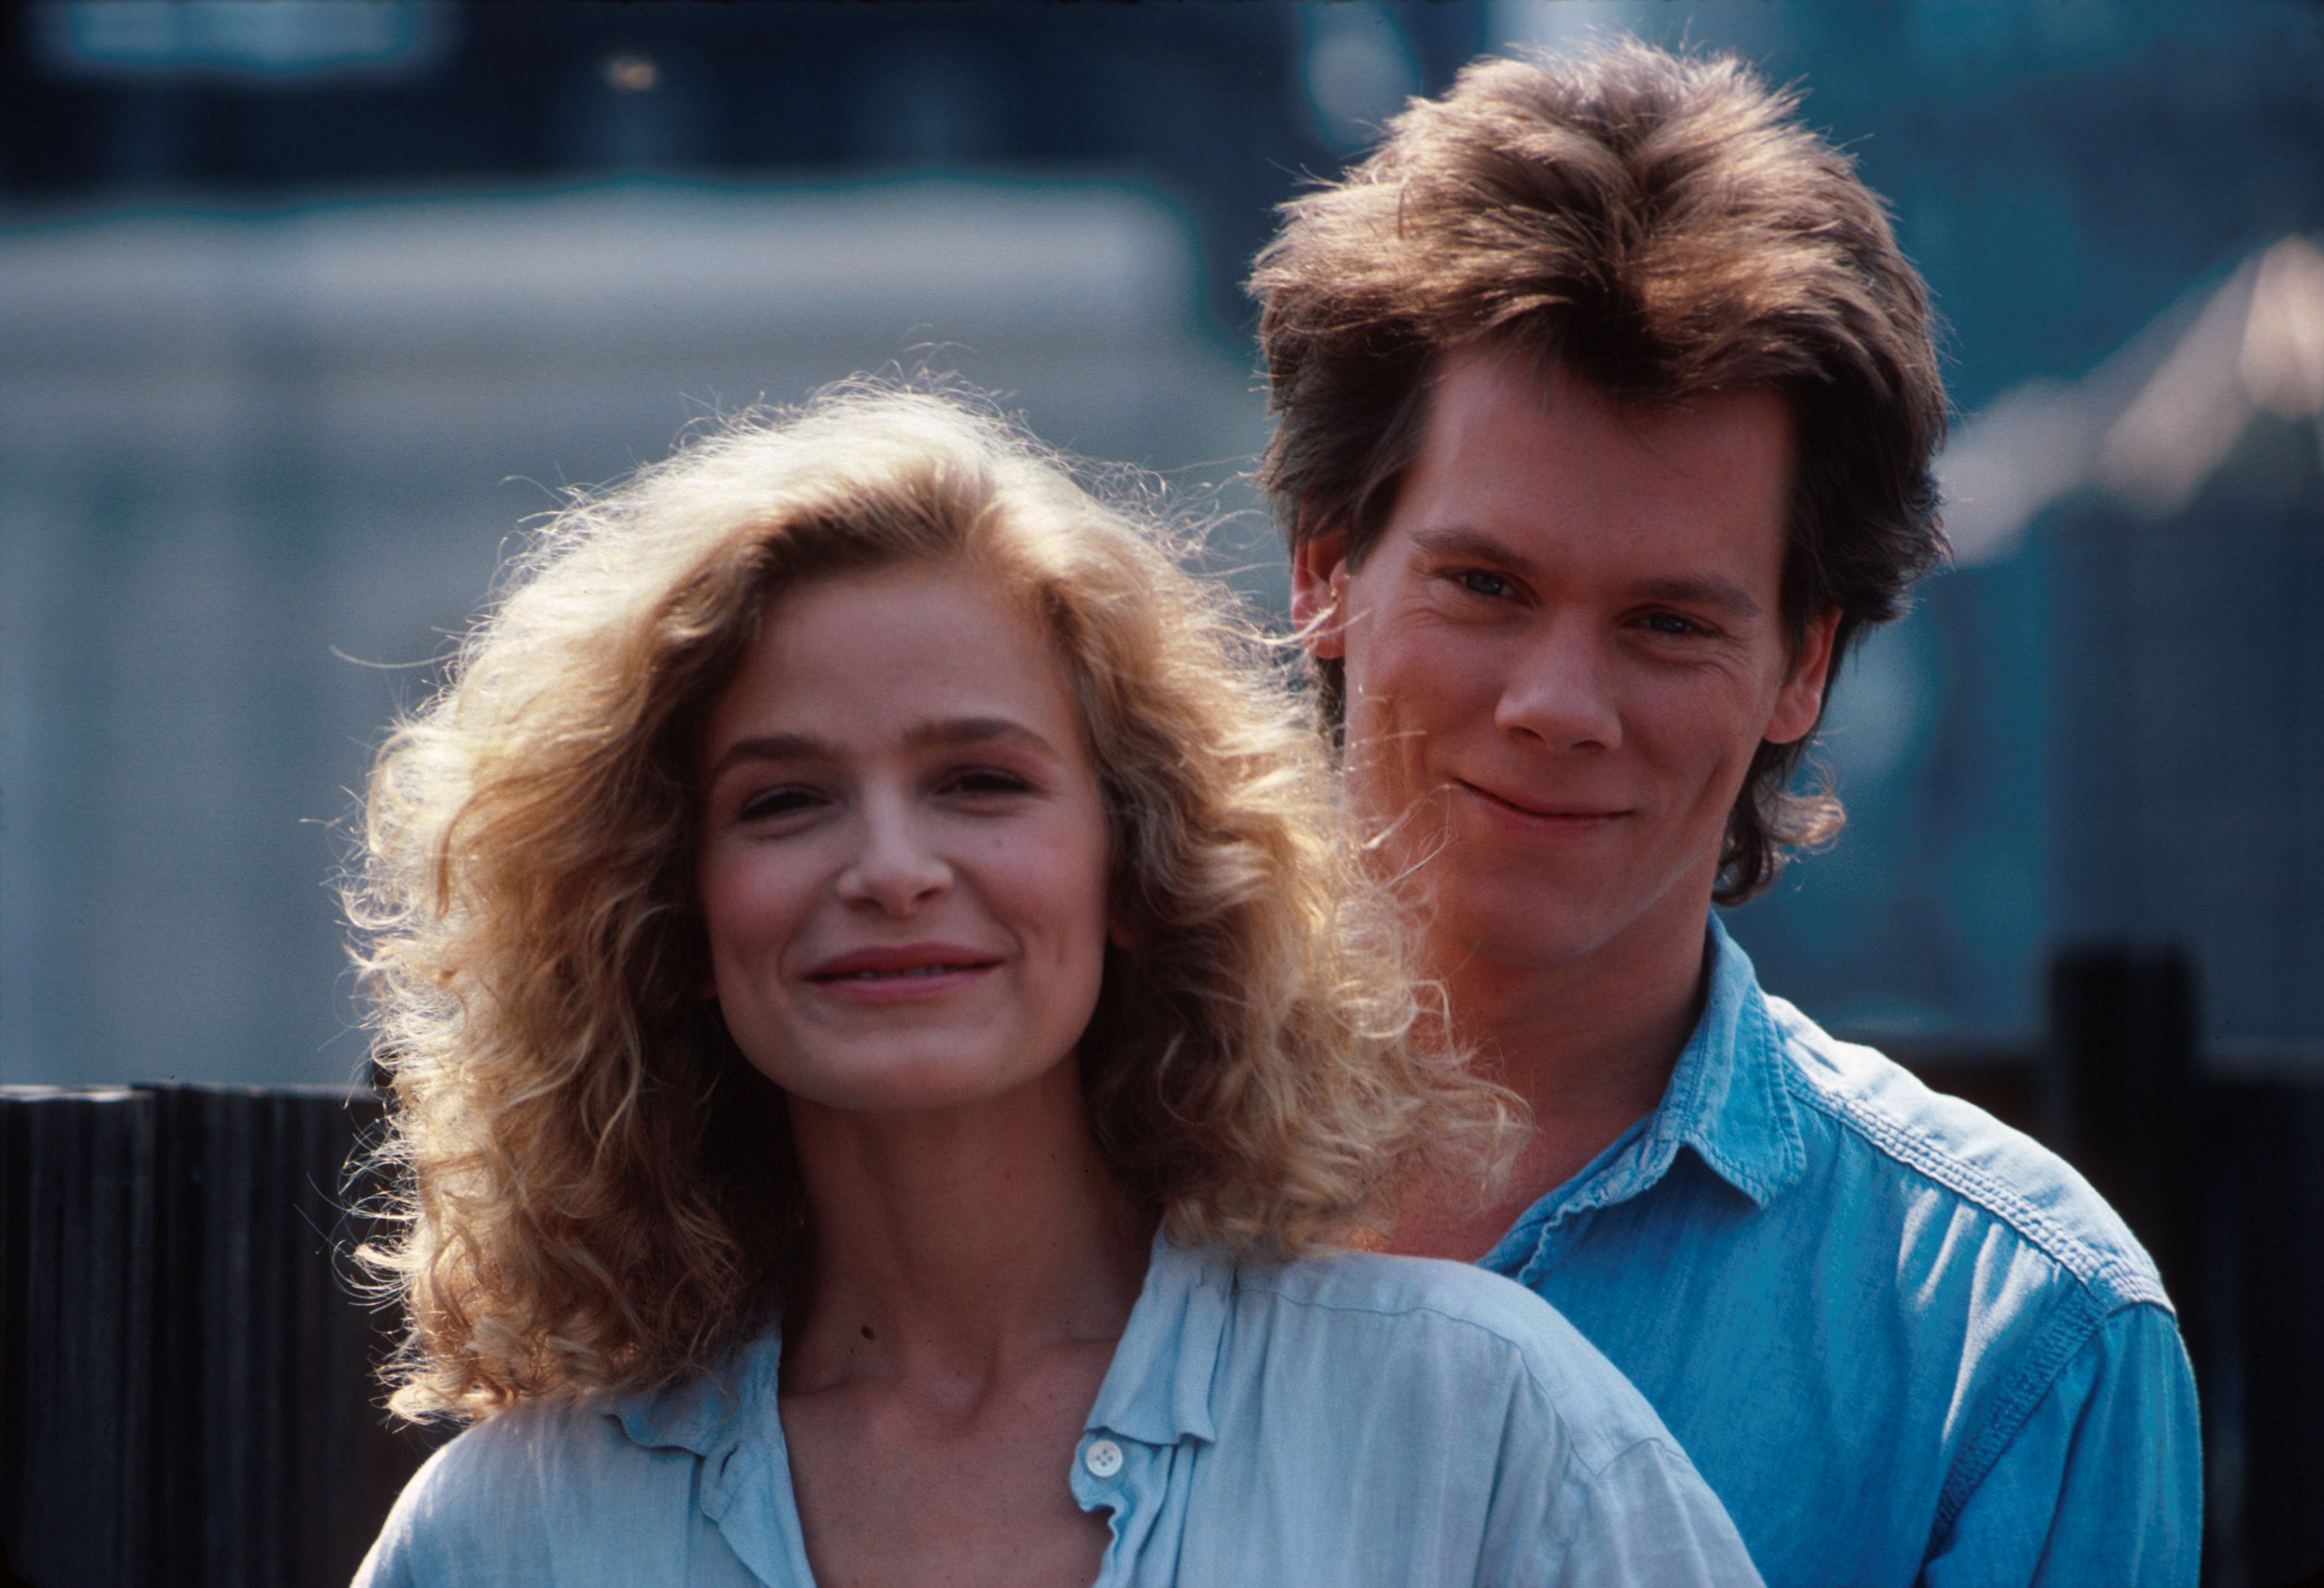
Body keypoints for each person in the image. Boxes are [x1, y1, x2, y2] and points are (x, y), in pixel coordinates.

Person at [344, 386, 1760, 1587]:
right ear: (667, 909)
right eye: (783, 802)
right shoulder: (508, 1536)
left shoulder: (1478, 1432)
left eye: (978, 782)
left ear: (1140, 868)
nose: (890, 867)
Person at [1251, 39, 2202, 1588]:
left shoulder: (2009, 1339)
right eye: (1485, 585)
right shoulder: (1038, 1174)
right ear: (1321, 571)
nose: (1559, 700)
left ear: (1800, 664)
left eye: (1667, 623)